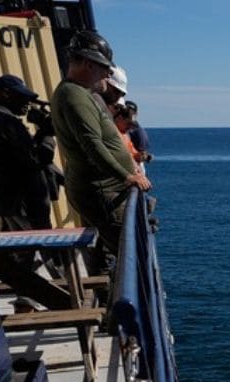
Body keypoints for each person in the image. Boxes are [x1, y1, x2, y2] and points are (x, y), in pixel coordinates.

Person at [50, 30, 148, 270]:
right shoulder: (74, 96)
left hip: (106, 191)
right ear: (85, 63)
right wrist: (127, 176)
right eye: (103, 67)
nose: (107, 73)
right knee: (130, 257)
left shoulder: (80, 93)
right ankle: (126, 305)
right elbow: (92, 145)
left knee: (128, 251)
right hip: (103, 193)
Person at [0, 74, 73, 311]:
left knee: (24, 253)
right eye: (22, 98)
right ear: (5, 94)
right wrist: (47, 133)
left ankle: (29, 299)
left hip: (10, 199)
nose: (26, 105)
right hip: (22, 200)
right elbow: (36, 158)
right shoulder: (4, 120)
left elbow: (21, 156)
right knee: (42, 247)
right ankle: (64, 300)